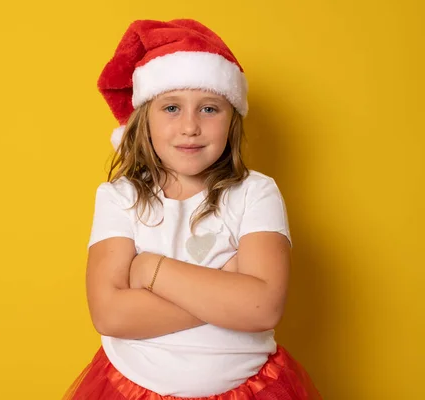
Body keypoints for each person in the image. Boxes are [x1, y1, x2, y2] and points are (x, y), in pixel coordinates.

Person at [63, 19, 322, 400]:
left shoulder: (256, 192)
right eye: (171, 107)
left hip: (248, 387)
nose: (190, 127)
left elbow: (262, 310)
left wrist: (150, 269)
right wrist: (225, 288)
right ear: (143, 120)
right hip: (132, 386)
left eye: (209, 109)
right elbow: (110, 315)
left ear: (232, 118)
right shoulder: (119, 196)